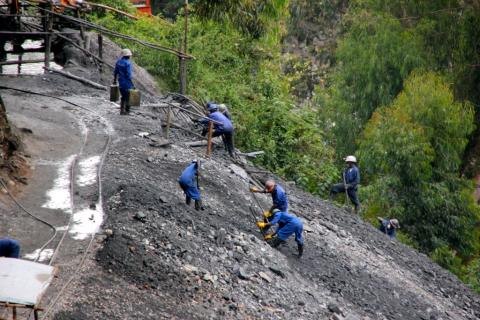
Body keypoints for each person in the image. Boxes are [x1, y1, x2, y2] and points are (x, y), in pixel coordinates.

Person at [113, 48, 134, 115]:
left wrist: (114, 80)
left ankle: (122, 110)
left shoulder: (118, 62)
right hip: (127, 83)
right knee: (128, 96)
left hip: (121, 82)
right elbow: (129, 75)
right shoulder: (128, 63)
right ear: (128, 56)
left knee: (123, 96)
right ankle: (127, 111)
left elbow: (115, 72)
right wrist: (132, 83)